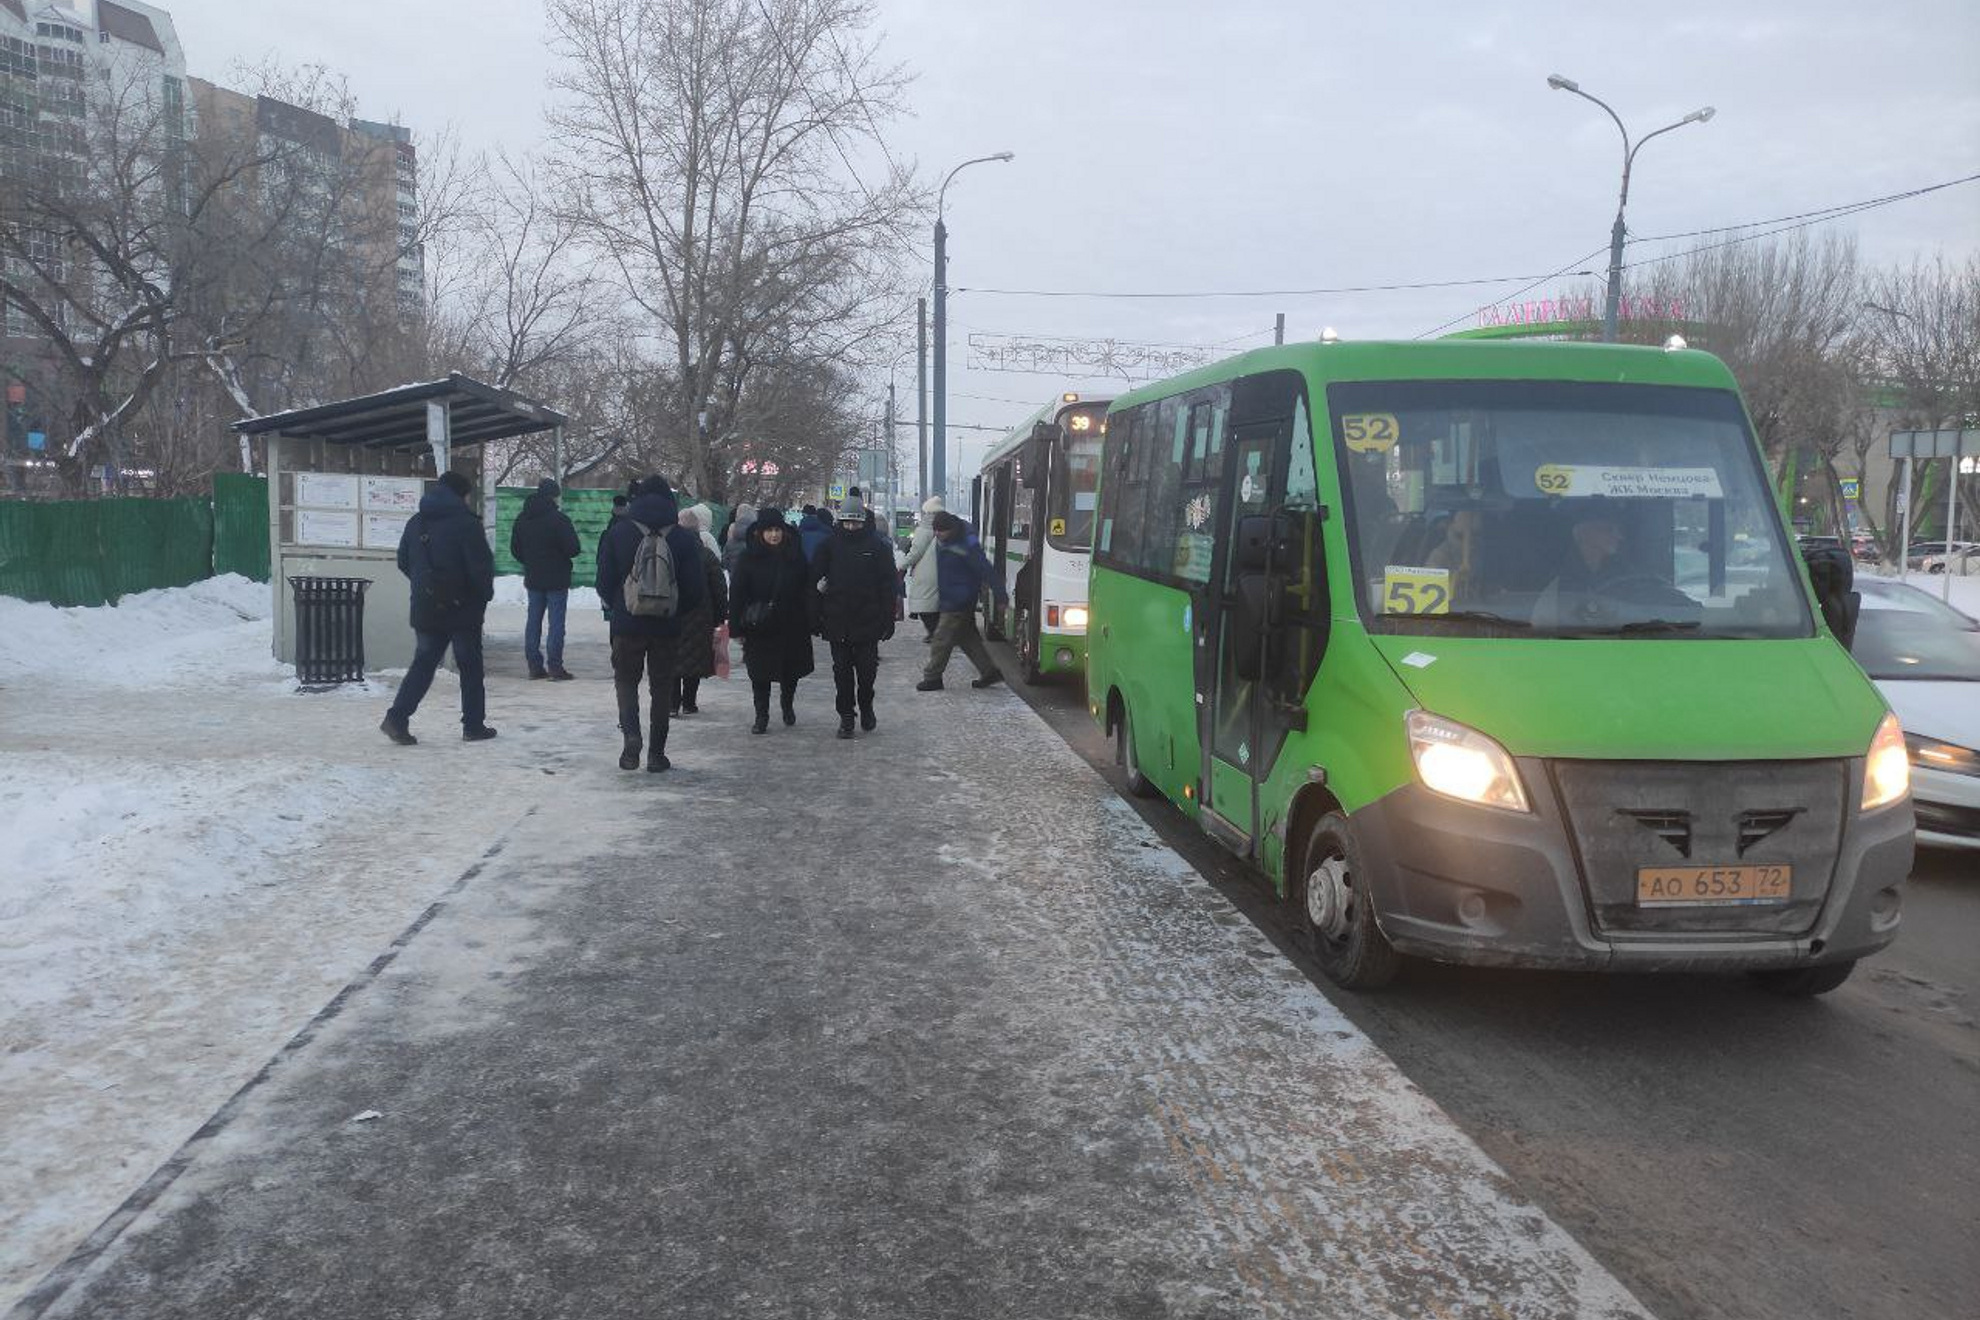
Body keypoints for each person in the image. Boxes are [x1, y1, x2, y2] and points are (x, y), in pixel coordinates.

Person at [595, 476, 706, 772]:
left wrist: (622, 604)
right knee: (662, 687)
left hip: (627, 625)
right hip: (666, 628)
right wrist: (674, 610)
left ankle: (631, 738)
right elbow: (696, 588)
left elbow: (603, 582)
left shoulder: (618, 533)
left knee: (626, 682)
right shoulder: (682, 538)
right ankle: (657, 754)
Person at [381, 470, 497, 744]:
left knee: (423, 664)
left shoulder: (416, 522)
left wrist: (426, 587)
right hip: (463, 608)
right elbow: (479, 569)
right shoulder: (467, 524)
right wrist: (483, 597)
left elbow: (403, 561)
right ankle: (473, 725)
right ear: (462, 495)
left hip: (426, 607)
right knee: (470, 667)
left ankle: (397, 718)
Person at [811, 493, 897, 737]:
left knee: (867, 672)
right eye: (846, 522)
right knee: (842, 673)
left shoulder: (877, 546)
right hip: (837, 620)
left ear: (863, 522)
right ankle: (846, 716)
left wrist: (888, 617)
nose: (851, 527)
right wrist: (815, 614)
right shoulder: (828, 546)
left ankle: (866, 705)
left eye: (855, 522)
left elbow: (887, 585)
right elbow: (814, 581)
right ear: (840, 522)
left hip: (867, 620)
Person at [729, 507, 816, 733]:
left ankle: (787, 705)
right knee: (759, 674)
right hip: (759, 625)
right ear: (760, 533)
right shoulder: (748, 558)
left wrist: (811, 617)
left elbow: (807, 588)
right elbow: (737, 593)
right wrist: (736, 627)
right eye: (769, 531)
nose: (774, 535)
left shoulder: (795, 556)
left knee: (790, 672)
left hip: (791, 623)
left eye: (777, 530)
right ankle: (761, 716)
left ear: (784, 531)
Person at [917, 511, 1006, 692]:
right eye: (935, 531)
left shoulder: (968, 544)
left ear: (950, 529)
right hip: (950, 597)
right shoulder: (945, 540)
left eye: (941, 531)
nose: (937, 535)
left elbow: (985, 569)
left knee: (941, 639)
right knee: (967, 639)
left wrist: (1000, 594)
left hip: (959, 600)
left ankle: (932, 677)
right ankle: (989, 672)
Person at [508, 477, 580, 680]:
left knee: (533, 622)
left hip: (533, 577)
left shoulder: (522, 519)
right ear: (553, 496)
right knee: (556, 623)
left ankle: (534, 666)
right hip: (557, 578)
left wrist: (530, 561)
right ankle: (555, 667)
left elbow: (515, 549)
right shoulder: (559, 520)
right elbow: (574, 548)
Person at [669, 509, 728, 716]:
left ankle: (672, 703)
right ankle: (689, 703)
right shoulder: (706, 555)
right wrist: (720, 614)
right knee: (693, 659)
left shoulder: (669, 552)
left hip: (672, 614)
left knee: (674, 658)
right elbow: (719, 587)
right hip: (700, 616)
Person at [902, 495, 944, 639]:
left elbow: (916, 552)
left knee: (925, 605)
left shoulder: (924, 529)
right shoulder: (944, 526)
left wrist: (901, 565)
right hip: (941, 571)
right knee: (934, 604)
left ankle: (934, 632)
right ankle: (935, 632)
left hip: (926, 573)